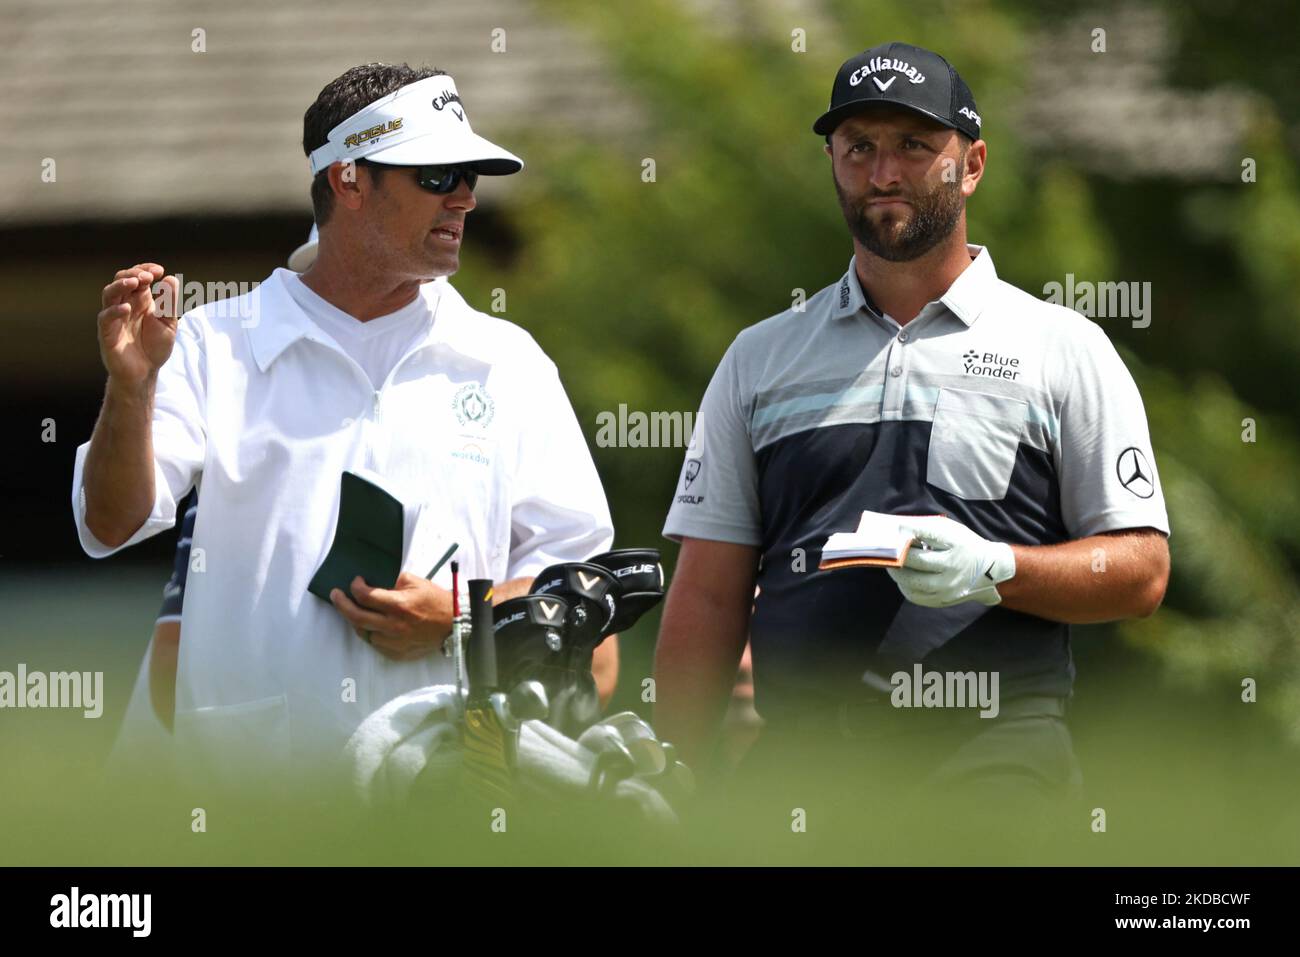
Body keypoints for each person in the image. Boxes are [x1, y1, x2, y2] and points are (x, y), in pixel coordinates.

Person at [654, 42, 1170, 829]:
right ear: (832, 159)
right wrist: (677, 772)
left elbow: (1140, 570)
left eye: (914, 146)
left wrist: (999, 567)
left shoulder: (1062, 346)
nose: (884, 173)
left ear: (973, 163)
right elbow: (709, 589)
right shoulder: (759, 357)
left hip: (997, 764)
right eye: (859, 147)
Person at [75, 63, 614, 789]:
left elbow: (583, 593)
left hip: (455, 805)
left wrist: (461, 615)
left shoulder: (508, 363)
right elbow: (110, 524)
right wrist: (131, 389)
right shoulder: (210, 344)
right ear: (349, 180)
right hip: (249, 808)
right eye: (436, 174)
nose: (464, 197)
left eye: (471, 177)